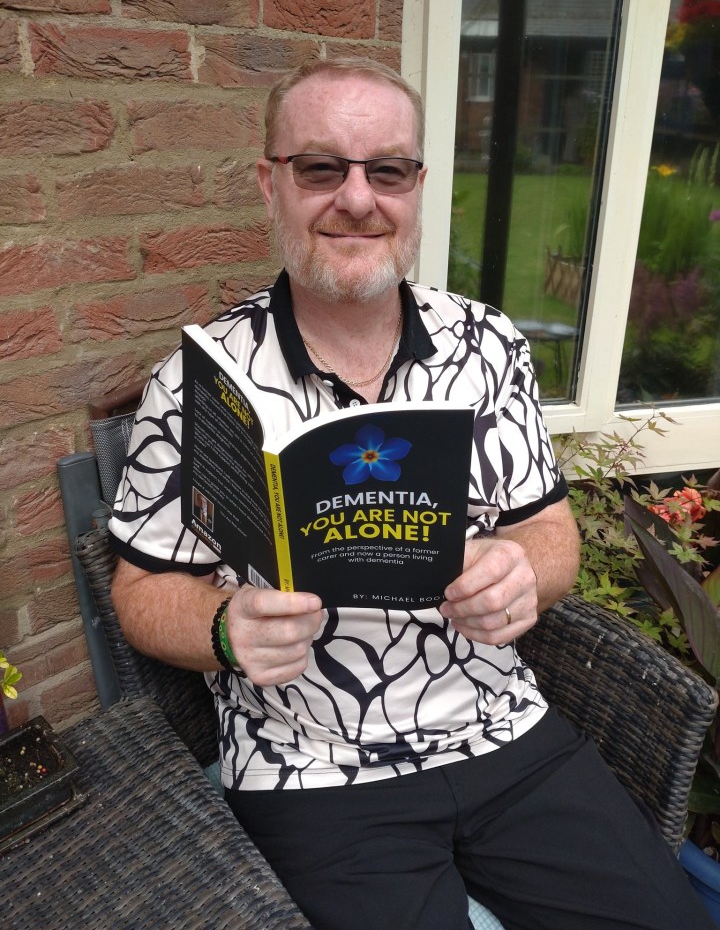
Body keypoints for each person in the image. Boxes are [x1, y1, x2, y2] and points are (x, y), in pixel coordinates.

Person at [109, 57, 714, 930]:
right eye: (322, 168)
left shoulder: (488, 345)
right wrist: (219, 629)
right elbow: (138, 589)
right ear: (269, 184)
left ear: (418, 185)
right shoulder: (203, 381)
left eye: (386, 170)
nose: (357, 199)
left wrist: (521, 571)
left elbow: (549, 530)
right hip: (311, 765)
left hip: (506, 735)